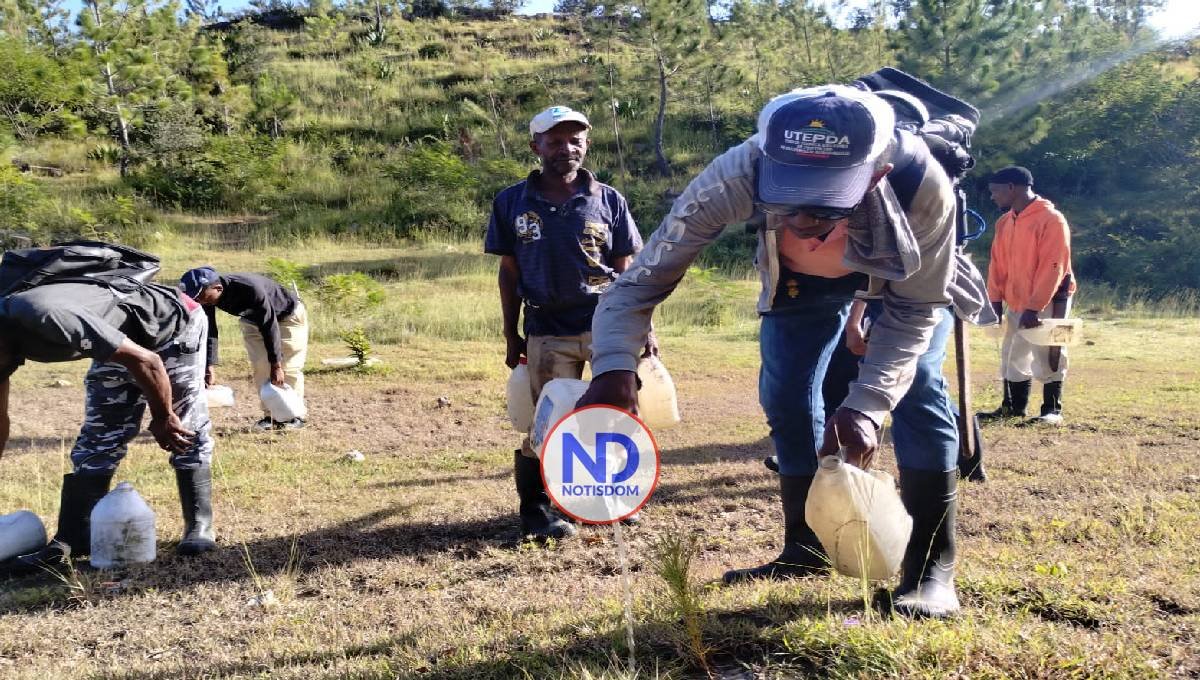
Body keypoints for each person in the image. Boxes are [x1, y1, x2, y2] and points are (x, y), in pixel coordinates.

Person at [579, 84, 982, 619]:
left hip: (898, 277)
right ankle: (805, 546)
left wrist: (867, 403)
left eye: (823, 206)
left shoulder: (921, 185)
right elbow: (638, 283)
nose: (804, 225)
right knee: (787, 392)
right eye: (787, 199)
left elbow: (915, 312)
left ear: (875, 174)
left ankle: (931, 570)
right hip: (798, 283)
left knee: (921, 390)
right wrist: (613, 365)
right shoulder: (734, 175)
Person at [485, 105, 651, 541]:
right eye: (555, 141)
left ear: (586, 143)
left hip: (608, 327)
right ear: (535, 146)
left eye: (575, 139)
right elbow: (509, 272)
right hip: (546, 327)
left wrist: (643, 328)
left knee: (613, 416)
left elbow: (627, 269)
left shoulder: (608, 198)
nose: (566, 148)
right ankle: (538, 511)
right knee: (548, 420)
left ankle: (608, 499)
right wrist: (510, 333)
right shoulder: (511, 202)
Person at [0, 265, 217, 574]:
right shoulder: (4, 346)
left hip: (170, 325)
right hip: (117, 337)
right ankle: (72, 539)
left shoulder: (44, 314)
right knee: (99, 432)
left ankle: (199, 524)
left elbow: (148, 361)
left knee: (183, 422)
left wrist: (161, 415)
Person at [979, 166, 1075, 426]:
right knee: (1013, 354)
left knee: (1051, 353)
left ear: (1012, 188)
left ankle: (1052, 411)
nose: (993, 197)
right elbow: (996, 264)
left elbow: (1054, 266)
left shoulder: (1051, 219)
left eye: (996, 191)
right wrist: (995, 301)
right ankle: (1012, 408)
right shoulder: (1004, 222)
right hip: (1017, 301)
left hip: (1053, 301)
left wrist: (1035, 307)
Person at [180, 267, 309, 431]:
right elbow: (209, 330)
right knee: (261, 367)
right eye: (195, 297)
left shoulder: (250, 289)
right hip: (252, 321)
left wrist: (276, 365)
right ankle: (271, 417)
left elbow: (269, 325)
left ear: (217, 288)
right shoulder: (205, 299)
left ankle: (294, 417)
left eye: (200, 296)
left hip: (286, 317)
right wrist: (209, 365)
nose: (198, 301)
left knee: (287, 368)